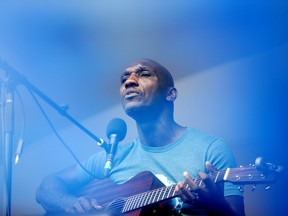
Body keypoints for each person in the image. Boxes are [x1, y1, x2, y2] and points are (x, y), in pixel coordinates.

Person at [36, 58, 245, 215]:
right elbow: (47, 186)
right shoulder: (115, 155)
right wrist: (69, 203)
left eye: (143, 74)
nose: (129, 82)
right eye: (124, 78)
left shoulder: (212, 149)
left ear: (170, 94)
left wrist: (217, 206)